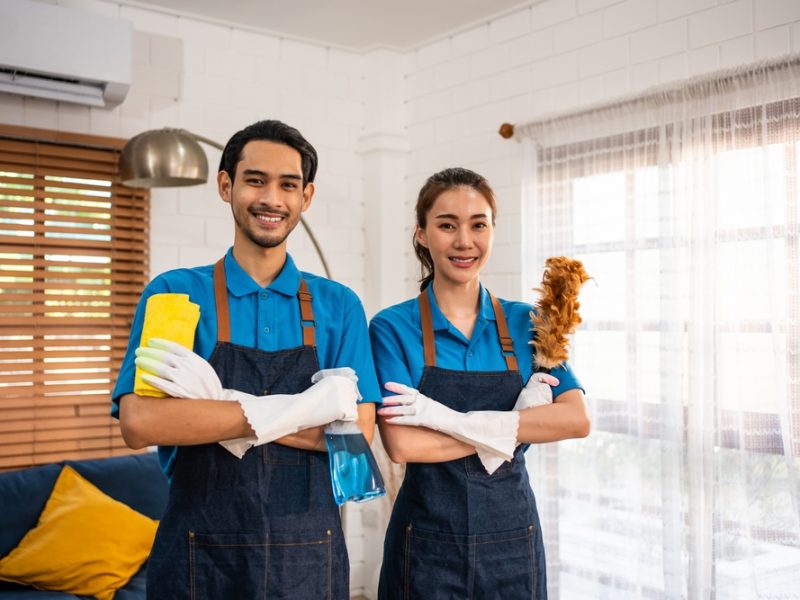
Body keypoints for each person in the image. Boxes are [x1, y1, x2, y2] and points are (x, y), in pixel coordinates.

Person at [112, 120, 380, 600]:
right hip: (199, 553)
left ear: (307, 197)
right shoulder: (174, 292)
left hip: (308, 556)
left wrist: (211, 407)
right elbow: (141, 422)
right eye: (256, 180)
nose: (272, 198)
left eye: (288, 185)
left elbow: (357, 436)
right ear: (225, 185)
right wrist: (313, 409)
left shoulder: (339, 306)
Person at [369, 167, 591, 599]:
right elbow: (403, 445)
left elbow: (575, 419)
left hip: (513, 541)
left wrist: (445, 422)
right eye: (447, 225)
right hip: (425, 545)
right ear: (421, 234)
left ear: (492, 231)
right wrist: (513, 428)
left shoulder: (530, 322)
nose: (464, 241)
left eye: (478, 225)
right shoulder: (392, 328)